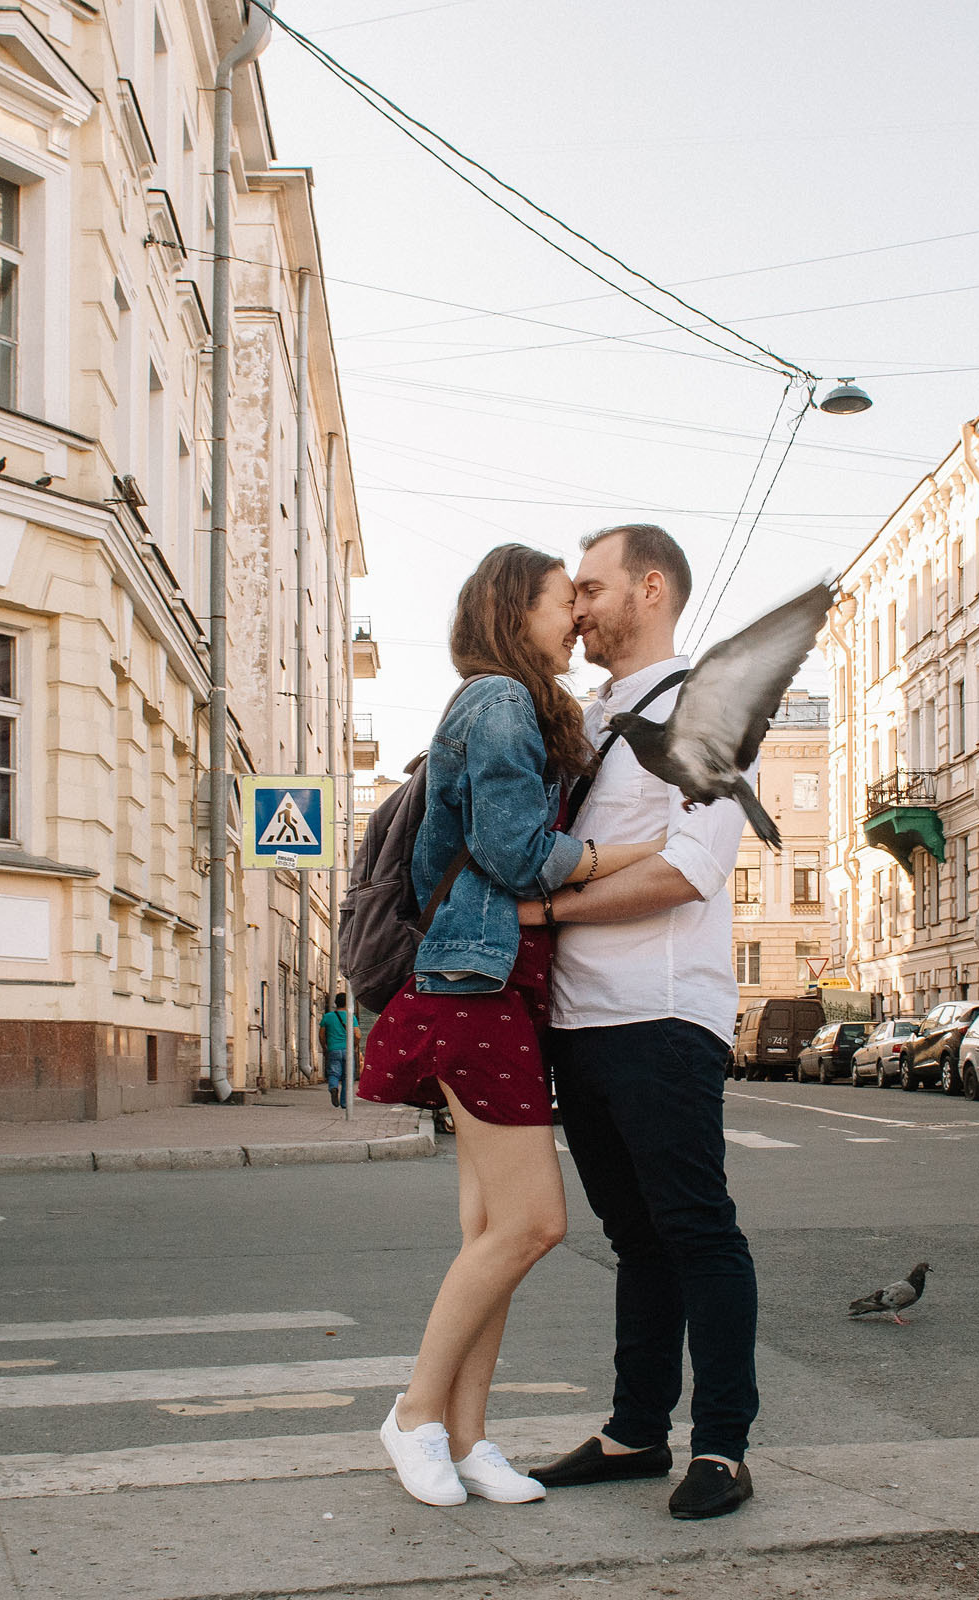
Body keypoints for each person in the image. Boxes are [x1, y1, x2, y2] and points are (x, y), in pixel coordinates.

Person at [356, 544, 667, 1510]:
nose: (575, 617)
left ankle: (468, 1437)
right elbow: (513, 853)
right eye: (561, 601)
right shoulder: (498, 701)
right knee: (534, 1224)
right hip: (472, 990)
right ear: (514, 610)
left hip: (492, 984)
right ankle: (414, 1414)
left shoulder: (512, 704)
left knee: (490, 1231)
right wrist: (634, 851)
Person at [524, 523, 762, 1523]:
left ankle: (723, 1447)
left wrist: (545, 913)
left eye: (591, 586)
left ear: (650, 588)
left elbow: (687, 869)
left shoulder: (708, 710)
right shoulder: (588, 720)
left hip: (660, 1012)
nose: (576, 606)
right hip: (578, 1019)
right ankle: (635, 1431)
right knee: (635, 1236)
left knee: (695, 1227)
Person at [319, 992, 356, 1108]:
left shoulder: (327, 1017)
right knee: (347, 1076)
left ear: (336, 1003)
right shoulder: (351, 1017)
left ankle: (333, 1087)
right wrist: (354, 1046)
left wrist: (324, 1047)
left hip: (333, 1049)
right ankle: (344, 1103)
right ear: (347, 1003)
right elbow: (358, 1034)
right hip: (348, 1050)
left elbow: (321, 1035)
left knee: (334, 1073)